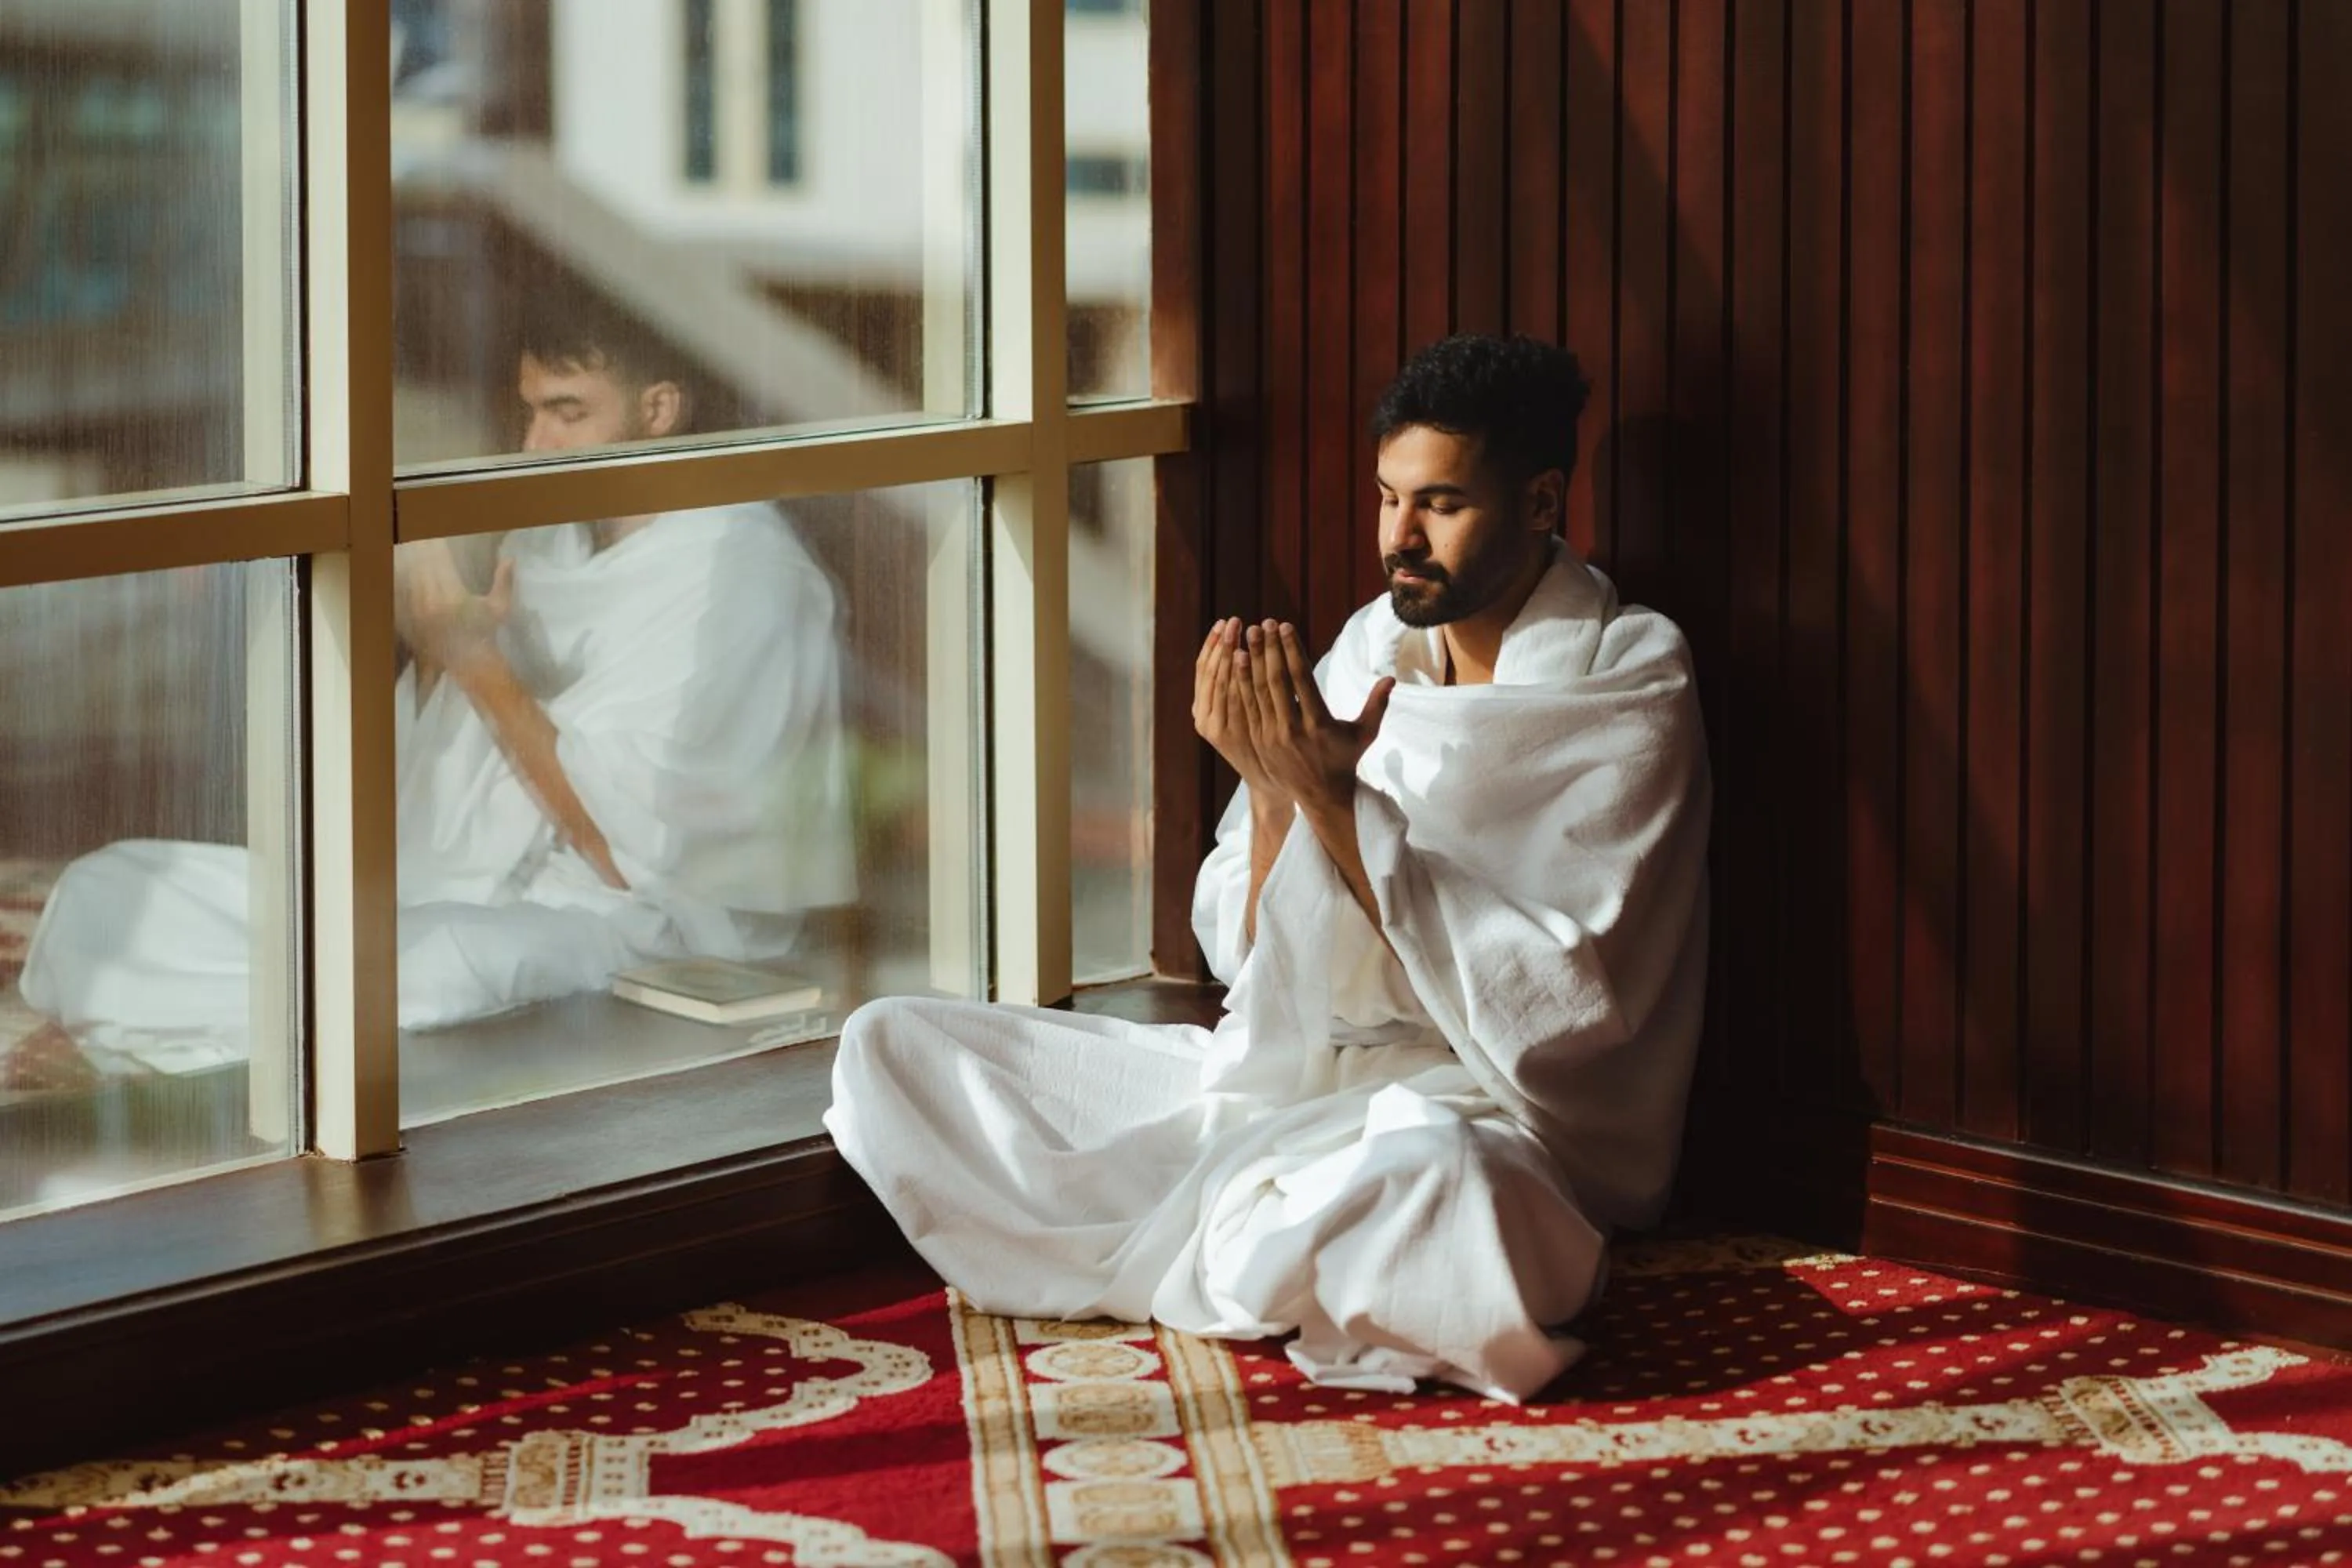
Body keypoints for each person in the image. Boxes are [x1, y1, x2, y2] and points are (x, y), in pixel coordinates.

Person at [827, 333, 1711, 1401]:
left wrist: (1335, 800)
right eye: (1387, 498)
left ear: (1539, 502)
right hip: (1300, 1076)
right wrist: (1271, 790)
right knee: (894, 1043)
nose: (1400, 537)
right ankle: (1285, 1240)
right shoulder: (1371, 645)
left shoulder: (1631, 672)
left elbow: (1569, 1000)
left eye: (1440, 504)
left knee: (1446, 1182)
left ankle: (1278, 1232)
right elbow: (1252, 962)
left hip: (1486, 1108)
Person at [19, 305, 855, 1071]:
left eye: (567, 413)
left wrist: (470, 656)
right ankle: (149, 1026)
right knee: (112, 888)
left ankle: (131, 1040)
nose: (534, 444)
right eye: (530, 412)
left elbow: (634, 854)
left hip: (631, 923)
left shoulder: (742, 577)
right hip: (459, 883)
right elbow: (447, 774)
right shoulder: (553, 538)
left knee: (440, 964)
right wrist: (431, 646)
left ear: (659, 409)